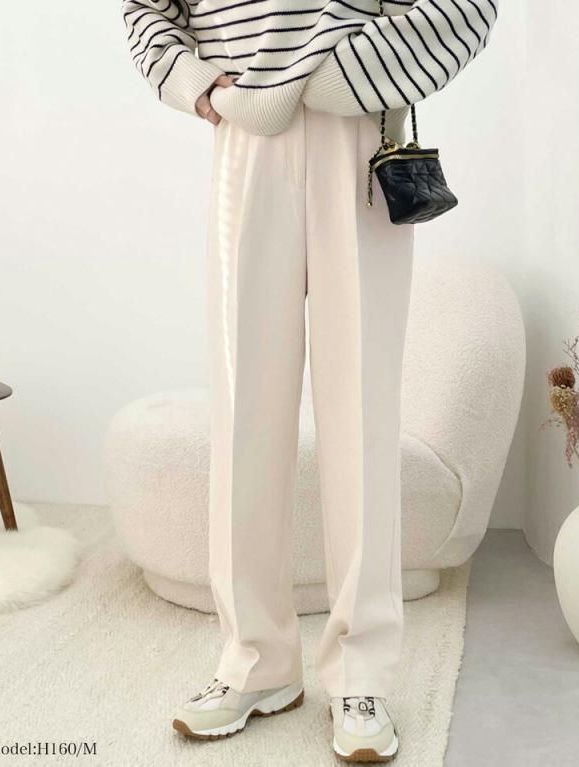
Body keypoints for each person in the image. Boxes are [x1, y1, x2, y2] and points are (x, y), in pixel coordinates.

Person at [121, 0, 498, 761]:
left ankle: (363, 672)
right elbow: (146, 10)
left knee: (361, 410)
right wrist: (203, 87)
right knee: (244, 409)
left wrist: (337, 80)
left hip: (358, 134)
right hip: (243, 140)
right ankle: (255, 661)